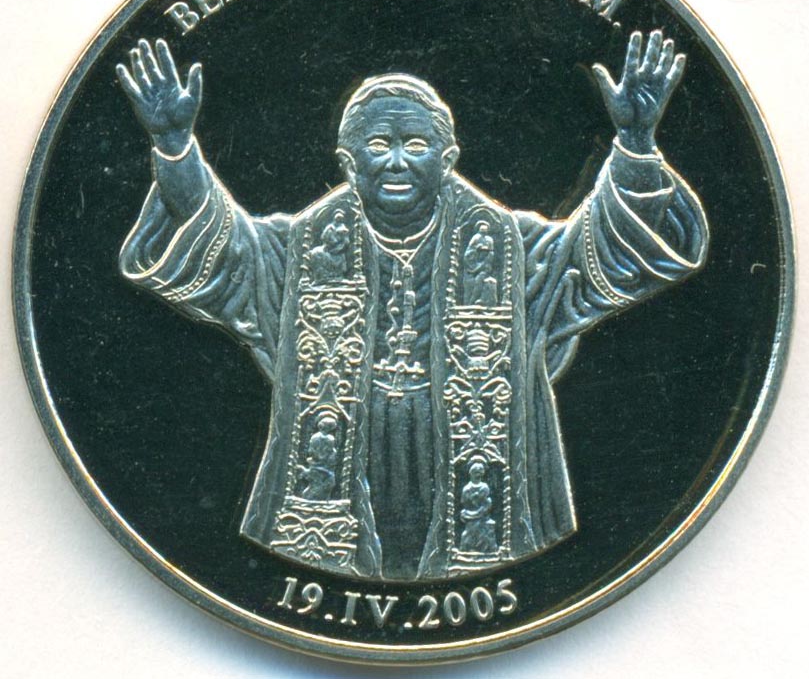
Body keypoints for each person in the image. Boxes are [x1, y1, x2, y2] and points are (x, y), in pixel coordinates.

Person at [117, 32, 708, 579]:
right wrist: (175, 148)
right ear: (348, 164)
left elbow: (605, 252)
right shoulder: (299, 250)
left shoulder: (511, 250)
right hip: (344, 464)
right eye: (379, 145)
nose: (396, 161)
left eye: (415, 144)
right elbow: (221, 246)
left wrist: (636, 146)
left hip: (470, 470)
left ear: (447, 160)